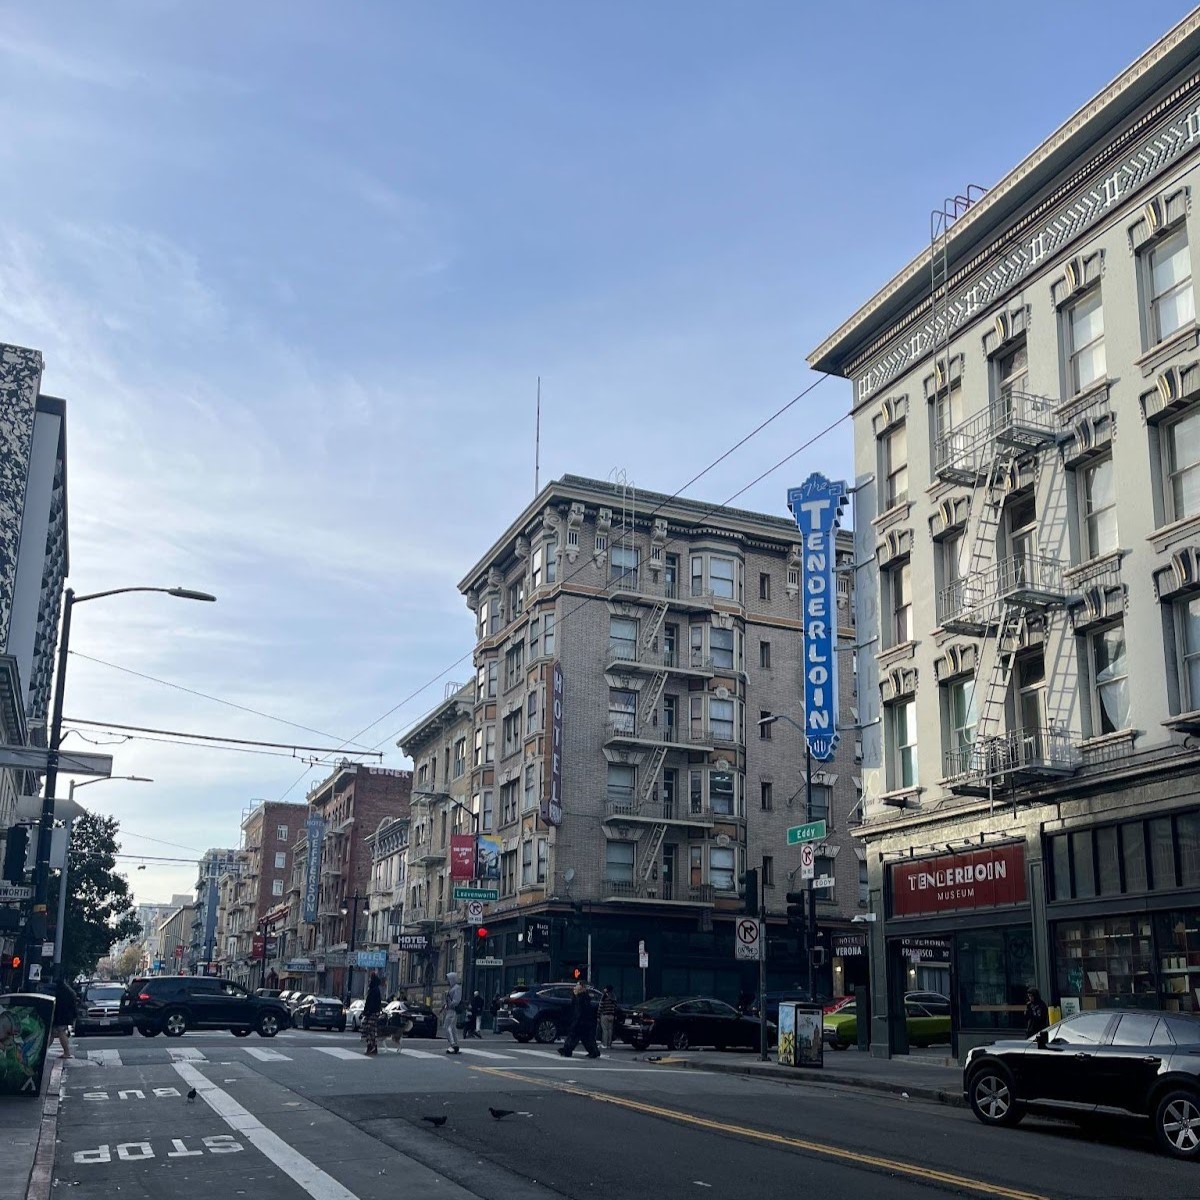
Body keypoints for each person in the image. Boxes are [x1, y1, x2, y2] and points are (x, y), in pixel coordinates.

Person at [558, 981, 600, 1059]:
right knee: (586, 1038)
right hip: (583, 1021)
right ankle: (594, 1051)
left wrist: (576, 1021)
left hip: (582, 1021)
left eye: (577, 985)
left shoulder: (582, 998)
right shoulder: (580, 997)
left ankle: (567, 1050)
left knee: (575, 1036)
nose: (575, 987)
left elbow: (580, 1011)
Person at [52, 976, 78, 1059]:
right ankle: (43, 1051)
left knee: (60, 1032)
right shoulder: (69, 992)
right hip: (65, 1016)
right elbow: (74, 1006)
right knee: (53, 1034)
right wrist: (74, 1016)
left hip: (60, 1016)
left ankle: (67, 1052)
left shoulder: (59, 991)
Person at [441, 971, 462, 1054]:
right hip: (450, 1010)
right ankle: (454, 1044)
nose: (448, 981)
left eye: (449, 979)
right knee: (452, 1028)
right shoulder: (453, 988)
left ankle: (453, 1044)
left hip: (452, 1010)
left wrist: (450, 1005)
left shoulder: (456, 988)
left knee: (448, 1027)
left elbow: (456, 1000)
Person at [362, 973, 383, 1056]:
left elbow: (371, 1003)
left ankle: (371, 1046)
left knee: (370, 1029)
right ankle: (372, 1046)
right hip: (371, 1012)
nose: (370, 980)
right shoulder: (374, 989)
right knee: (370, 1030)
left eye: (371, 979)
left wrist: (367, 1011)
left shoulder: (374, 990)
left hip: (372, 1013)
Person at [598, 985, 617, 1051]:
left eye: (605, 988)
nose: (604, 989)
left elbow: (600, 1006)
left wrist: (598, 1015)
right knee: (610, 1030)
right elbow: (615, 1006)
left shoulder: (604, 996)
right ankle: (609, 1044)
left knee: (605, 1030)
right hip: (612, 1015)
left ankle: (604, 1044)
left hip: (605, 1015)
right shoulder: (613, 996)